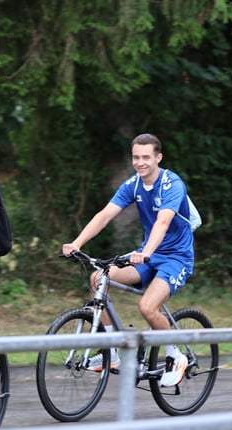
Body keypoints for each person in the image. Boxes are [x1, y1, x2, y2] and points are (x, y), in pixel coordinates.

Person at [61, 133, 195, 387]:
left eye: (146, 157)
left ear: (158, 158)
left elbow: (163, 222)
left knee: (147, 308)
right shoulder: (133, 185)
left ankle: (175, 355)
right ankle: (111, 352)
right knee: (98, 278)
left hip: (176, 258)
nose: (140, 162)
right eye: (136, 157)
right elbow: (105, 215)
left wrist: (147, 252)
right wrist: (77, 243)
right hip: (148, 255)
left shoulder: (171, 184)